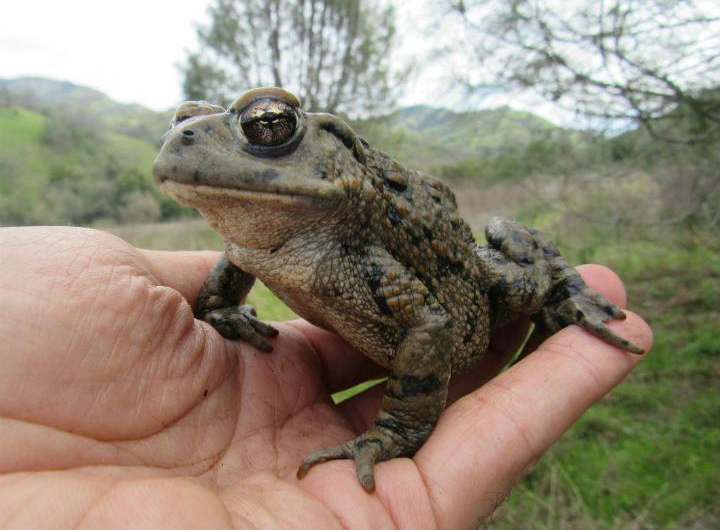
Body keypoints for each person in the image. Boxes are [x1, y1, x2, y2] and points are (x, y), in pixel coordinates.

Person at [0, 226, 651, 527]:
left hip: (460, 288)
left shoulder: (351, 236)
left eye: (266, 127)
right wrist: (220, 305)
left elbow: (431, 323)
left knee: (520, 283)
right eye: (184, 122)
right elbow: (242, 251)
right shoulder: (264, 230)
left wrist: (399, 424)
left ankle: (566, 287)